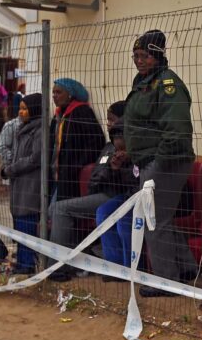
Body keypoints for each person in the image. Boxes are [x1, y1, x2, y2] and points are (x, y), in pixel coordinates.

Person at [123, 30, 198, 297]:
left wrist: (158, 164)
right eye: (135, 56)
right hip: (150, 160)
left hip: (166, 162)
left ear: (157, 56)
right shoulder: (145, 83)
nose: (139, 61)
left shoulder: (167, 84)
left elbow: (176, 129)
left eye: (144, 56)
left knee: (154, 221)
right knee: (162, 218)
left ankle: (167, 282)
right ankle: (186, 267)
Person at [49, 106, 137, 282]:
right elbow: (96, 177)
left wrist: (114, 170)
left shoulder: (134, 149)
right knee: (54, 209)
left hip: (115, 195)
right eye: (108, 120)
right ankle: (73, 259)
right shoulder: (108, 147)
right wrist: (110, 169)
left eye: (113, 120)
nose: (109, 124)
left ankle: (59, 266)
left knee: (60, 209)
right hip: (101, 191)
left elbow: (131, 181)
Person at [1, 93, 43, 274]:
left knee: (27, 222)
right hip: (19, 184)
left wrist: (12, 169)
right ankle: (22, 261)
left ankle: (27, 264)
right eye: (20, 108)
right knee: (19, 222)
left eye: (25, 109)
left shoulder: (39, 130)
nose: (21, 112)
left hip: (30, 184)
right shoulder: (22, 128)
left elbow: (35, 158)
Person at [49, 77, 105, 203]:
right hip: (56, 173)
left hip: (71, 175)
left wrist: (78, 165)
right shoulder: (58, 115)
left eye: (59, 92)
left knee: (58, 210)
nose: (54, 96)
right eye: (53, 92)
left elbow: (96, 141)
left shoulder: (81, 112)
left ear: (70, 94)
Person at [0, 112, 21, 184]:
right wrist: (15, 162)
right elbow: (2, 148)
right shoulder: (10, 126)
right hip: (12, 173)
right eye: (21, 108)